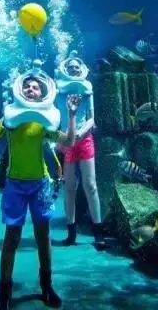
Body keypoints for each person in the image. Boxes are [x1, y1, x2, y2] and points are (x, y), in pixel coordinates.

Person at [0, 77, 80, 310]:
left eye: (36, 87)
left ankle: (46, 286)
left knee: (43, 236)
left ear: (42, 94)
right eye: (27, 86)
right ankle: (4, 291)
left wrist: (71, 115)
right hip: (14, 185)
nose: (31, 89)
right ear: (19, 90)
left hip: (41, 184)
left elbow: (69, 142)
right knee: (11, 237)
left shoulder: (44, 119)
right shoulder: (9, 118)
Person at [54, 56, 106, 249]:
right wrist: (62, 138)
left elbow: (91, 118)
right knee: (69, 187)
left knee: (90, 186)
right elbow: (54, 117)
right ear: (65, 70)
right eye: (71, 67)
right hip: (65, 141)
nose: (74, 70)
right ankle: (71, 233)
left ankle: (98, 233)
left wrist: (79, 133)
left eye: (77, 67)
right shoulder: (58, 90)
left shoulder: (87, 88)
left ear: (82, 69)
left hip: (84, 140)